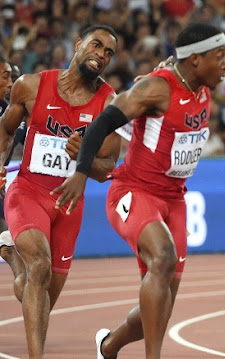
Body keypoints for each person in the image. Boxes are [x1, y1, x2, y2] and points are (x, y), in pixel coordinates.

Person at [52, 23, 225, 359]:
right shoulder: (155, 89)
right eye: (219, 57)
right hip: (133, 192)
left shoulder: (203, 88)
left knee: (162, 307)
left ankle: (110, 346)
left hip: (174, 200)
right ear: (195, 60)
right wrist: (81, 172)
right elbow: (104, 121)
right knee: (161, 257)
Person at [0, 25, 121, 358]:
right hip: (27, 191)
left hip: (69, 205)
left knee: (38, 292)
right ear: (79, 44)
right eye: (97, 45)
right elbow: (6, 131)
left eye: (109, 52)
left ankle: (12, 256)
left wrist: (84, 156)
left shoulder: (109, 105)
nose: (102, 54)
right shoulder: (30, 86)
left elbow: (107, 168)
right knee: (39, 266)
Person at [0, 62, 24, 233]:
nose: (11, 84)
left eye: (15, 79)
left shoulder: (14, 113)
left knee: (6, 231)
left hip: (1, 182)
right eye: (7, 78)